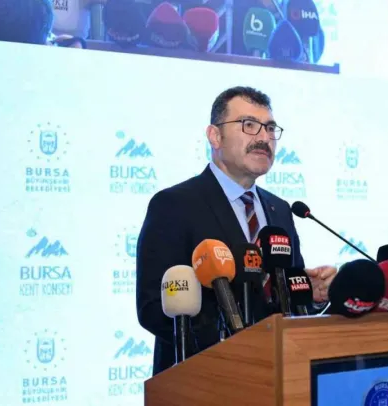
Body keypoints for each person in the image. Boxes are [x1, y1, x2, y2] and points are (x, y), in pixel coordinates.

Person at [136, 86, 337, 376]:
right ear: (215, 136)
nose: (263, 138)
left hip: (277, 375)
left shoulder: (280, 211)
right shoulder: (174, 205)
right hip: (206, 379)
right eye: (249, 125)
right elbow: (153, 306)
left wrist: (310, 296)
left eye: (270, 128)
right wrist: (236, 344)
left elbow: (283, 303)